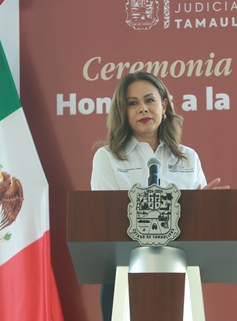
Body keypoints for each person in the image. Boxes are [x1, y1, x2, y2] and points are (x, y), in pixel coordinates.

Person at [90, 71, 228, 321]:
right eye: (133, 103)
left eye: (149, 100)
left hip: (177, 273)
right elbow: (107, 219)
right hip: (123, 276)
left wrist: (206, 209)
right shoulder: (107, 157)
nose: (143, 108)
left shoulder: (188, 157)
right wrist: (187, 210)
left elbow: (199, 230)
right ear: (123, 111)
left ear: (163, 106)